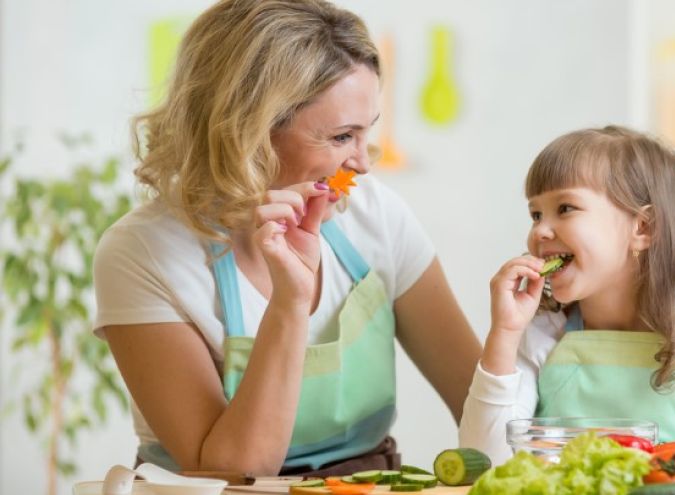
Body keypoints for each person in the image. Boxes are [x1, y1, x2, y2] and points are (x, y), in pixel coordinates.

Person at [93, 0, 481, 477]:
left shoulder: (374, 214)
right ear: (249, 133)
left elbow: (479, 404)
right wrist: (289, 303)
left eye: (367, 132)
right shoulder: (142, 253)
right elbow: (232, 469)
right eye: (342, 137)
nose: (364, 161)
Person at [459, 126, 675, 466]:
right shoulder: (544, 326)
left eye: (565, 208)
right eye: (536, 214)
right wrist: (504, 333)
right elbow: (484, 458)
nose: (539, 231)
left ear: (642, 228)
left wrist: (641, 459)